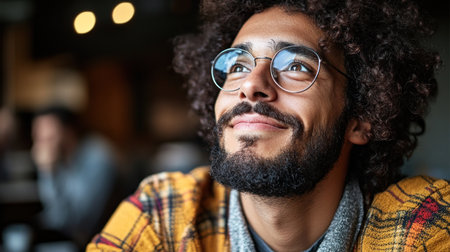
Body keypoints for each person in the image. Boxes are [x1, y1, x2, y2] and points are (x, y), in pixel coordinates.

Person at [87, 0, 449, 251]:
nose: (250, 83)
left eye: (296, 66)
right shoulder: (162, 216)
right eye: (238, 65)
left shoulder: (423, 226)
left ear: (362, 117)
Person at [31, 106, 117, 247]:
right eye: (38, 135)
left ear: (68, 130)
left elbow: (73, 223)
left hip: (99, 243)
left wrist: (47, 173)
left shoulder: (98, 158)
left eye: (49, 134)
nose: (43, 142)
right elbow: (53, 217)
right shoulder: (62, 159)